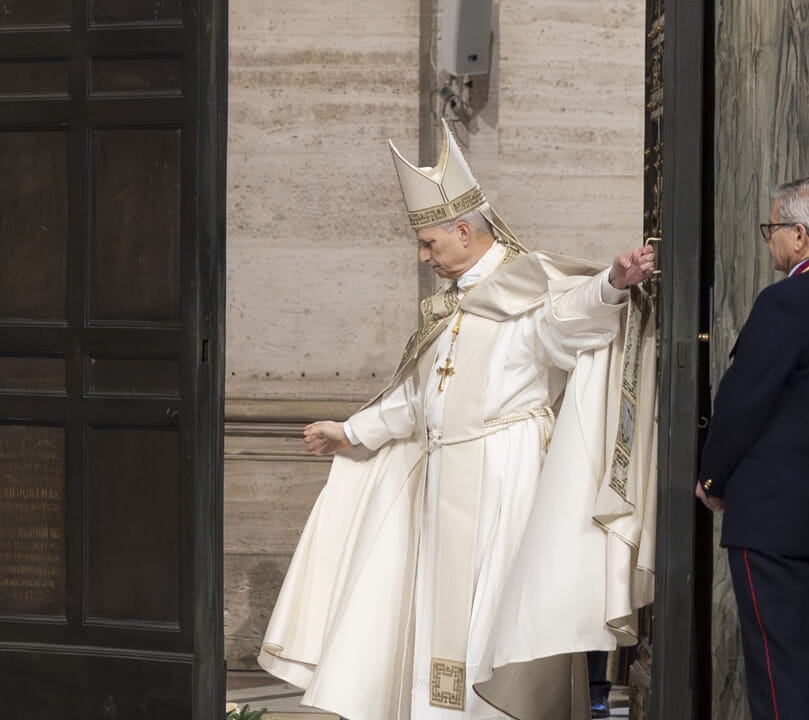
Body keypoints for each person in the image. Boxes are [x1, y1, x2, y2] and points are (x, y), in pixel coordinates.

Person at [258, 122, 658, 719]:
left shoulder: (523, 290)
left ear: (464, 231)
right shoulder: (450, 306)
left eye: (428, 243)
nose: (422, 256)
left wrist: (609, 284)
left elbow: (567, 322)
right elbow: (419, 399)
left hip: (505, 476)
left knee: (495, 610)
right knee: (432, 611)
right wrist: (352, 432)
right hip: (444, 473)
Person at [696, 176, 809, 719]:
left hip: (775, 519)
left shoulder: (787, 301)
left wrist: (713, 479)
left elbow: (743, 403)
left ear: (799, 236)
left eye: (772, 228)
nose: (768, 240)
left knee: (779, 668)